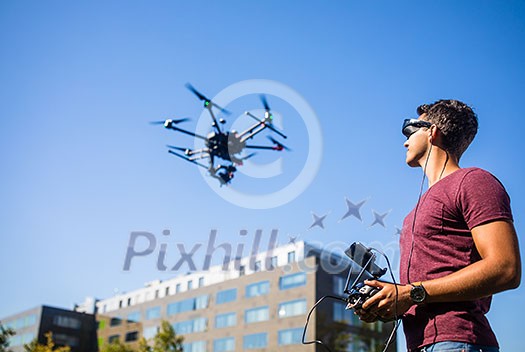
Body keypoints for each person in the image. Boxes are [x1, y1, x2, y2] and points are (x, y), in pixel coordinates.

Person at [356, 100, 521, 352]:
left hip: (458, 342)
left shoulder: (474, 181)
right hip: (422, 344)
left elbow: (506, 268)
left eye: (410, 130)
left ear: (433, 131)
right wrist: (388, 303)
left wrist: (411, 293)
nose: (405, 140)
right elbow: (424, 289)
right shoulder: (415, 210)